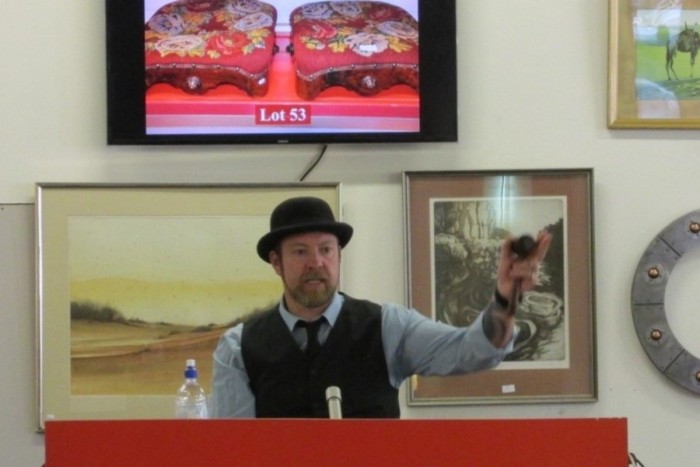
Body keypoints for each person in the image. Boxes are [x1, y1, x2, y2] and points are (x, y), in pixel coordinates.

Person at [211, 196, 551, 418]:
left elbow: (472, 350)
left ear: (339, 256)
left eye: (326, 250)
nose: (316, 263)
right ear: (276, 262)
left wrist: (506, 300)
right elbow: (233, 449)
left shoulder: (389, 327)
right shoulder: (237, 348)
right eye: (300, 251)